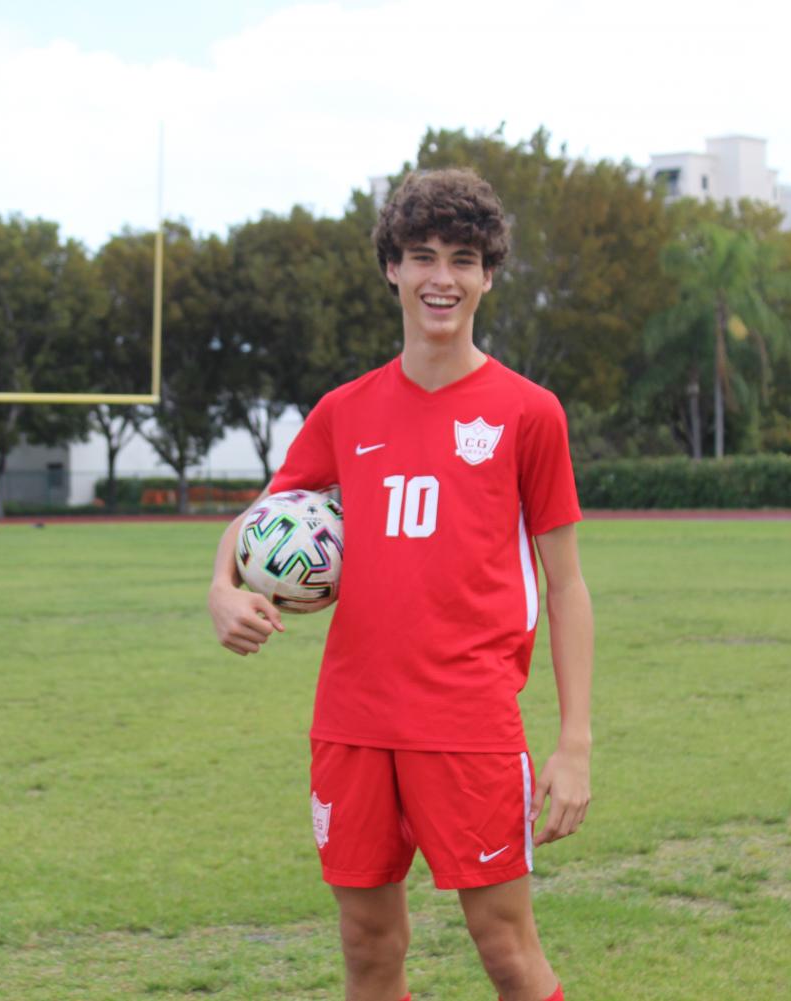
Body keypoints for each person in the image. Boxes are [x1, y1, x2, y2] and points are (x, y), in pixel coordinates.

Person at [207, 167, 593, 1001]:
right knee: (368, 948)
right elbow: (261, 518)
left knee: (506, 950)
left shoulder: (528, 413)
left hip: (468, 723)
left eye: (461, 258)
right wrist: (220, 585)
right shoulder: (345, 410)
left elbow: (565, 586)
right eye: (421, 256)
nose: (440, 278)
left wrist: (573, 744)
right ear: (392, 268)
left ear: (488, 275)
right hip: (350, 722)